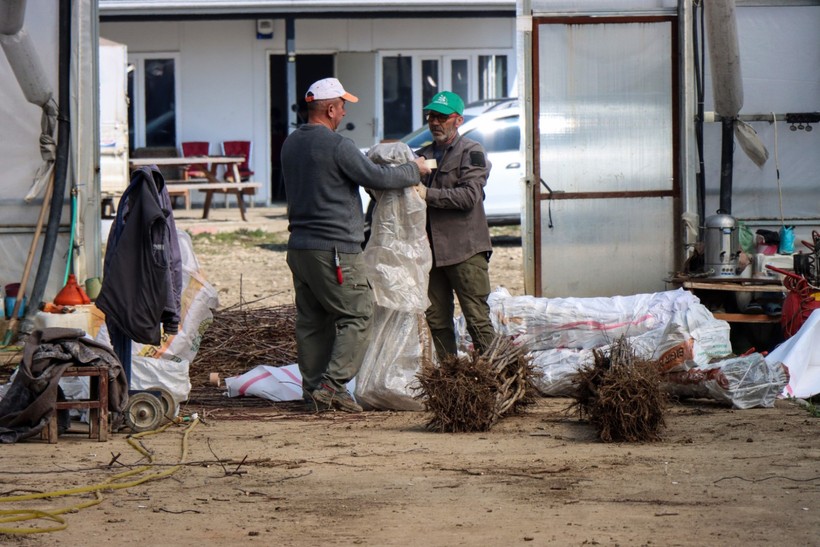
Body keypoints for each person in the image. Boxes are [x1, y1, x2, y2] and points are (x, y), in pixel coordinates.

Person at [280, 77, 431, 412]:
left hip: (300, 247)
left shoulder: (290, 144)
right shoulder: (338, 145)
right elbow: (378, 178)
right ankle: (332, 388)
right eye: (343, 105)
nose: (345, 111)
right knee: (359, 313)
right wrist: (414, 169)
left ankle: (313, 392)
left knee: (312, 321)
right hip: (335, 249)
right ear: (330, 108)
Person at [414, 91, 496, 360]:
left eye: (442, 117)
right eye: (431, 116)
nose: (435, 122)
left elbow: (469, 196)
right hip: (432, 256)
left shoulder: (472, 152)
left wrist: (428, 194)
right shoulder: (421, 157)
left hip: (465, 251)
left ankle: (495, 376)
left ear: (458, 120)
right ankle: (451, 380)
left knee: (476, 319)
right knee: (437, 320)